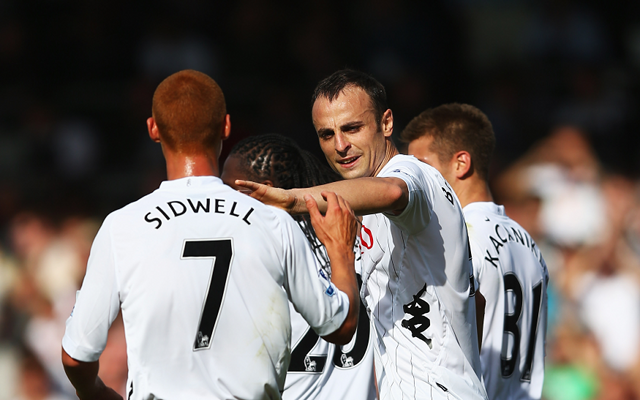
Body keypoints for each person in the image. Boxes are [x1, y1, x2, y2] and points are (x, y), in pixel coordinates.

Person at [60, 70, 361, 400]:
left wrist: (96, 392)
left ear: (153, 129)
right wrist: (342, 251)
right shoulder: (273, 221)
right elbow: (340, 326)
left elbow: (76, 356)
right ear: (226, 127)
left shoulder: (122, 226)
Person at [237, 70, 488, 399]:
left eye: (352, 128)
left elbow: (393, 192)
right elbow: (477, 301)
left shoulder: (410, 173)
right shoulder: (363, 206)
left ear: (386, 124)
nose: (340, 146)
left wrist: (292, 198)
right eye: (327, 134)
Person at [400, 103, 549, 400]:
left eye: (420, 165)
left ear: (461, 163)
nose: (409, 178)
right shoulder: (529, 244)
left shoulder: (455, 239)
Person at [221, 133, 377, 400]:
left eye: (228, 187)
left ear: (261, 190)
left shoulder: (258, 253)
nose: (222, 197)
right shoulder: (359, 241)